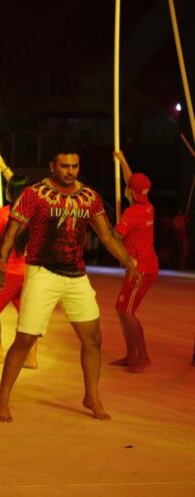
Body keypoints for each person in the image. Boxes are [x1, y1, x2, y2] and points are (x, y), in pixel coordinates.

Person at [0, 150, 139, 423]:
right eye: (64, 166)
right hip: (42, 272)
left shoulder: (89, 197)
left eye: (75, 166)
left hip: (76, 275)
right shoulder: (34, 194)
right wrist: (1, 263)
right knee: (25, 338)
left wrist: (128, 261)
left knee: (93, 339)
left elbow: (106, 234)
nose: (70, 171)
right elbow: (12, 230)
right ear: (52, 166)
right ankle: (2, 398)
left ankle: (92, 396)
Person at [0, 159, 36, 368]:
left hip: (9, 271)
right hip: (30, 271)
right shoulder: (34, 211)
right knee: (28, 314)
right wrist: (3, 167)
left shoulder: (4, 214)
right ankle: (31, 358)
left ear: (10, 192)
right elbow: (19, 185)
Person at [110, 151, 158, 372]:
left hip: (140, 269)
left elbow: (116, 236)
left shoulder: (133, 212)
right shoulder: (148, 207)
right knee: (122, 310)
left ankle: (143, 356)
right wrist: (122, 160)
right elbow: (133, 183)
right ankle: (131, 356)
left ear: (130, 192)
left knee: (127, 312)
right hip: (145, 267)